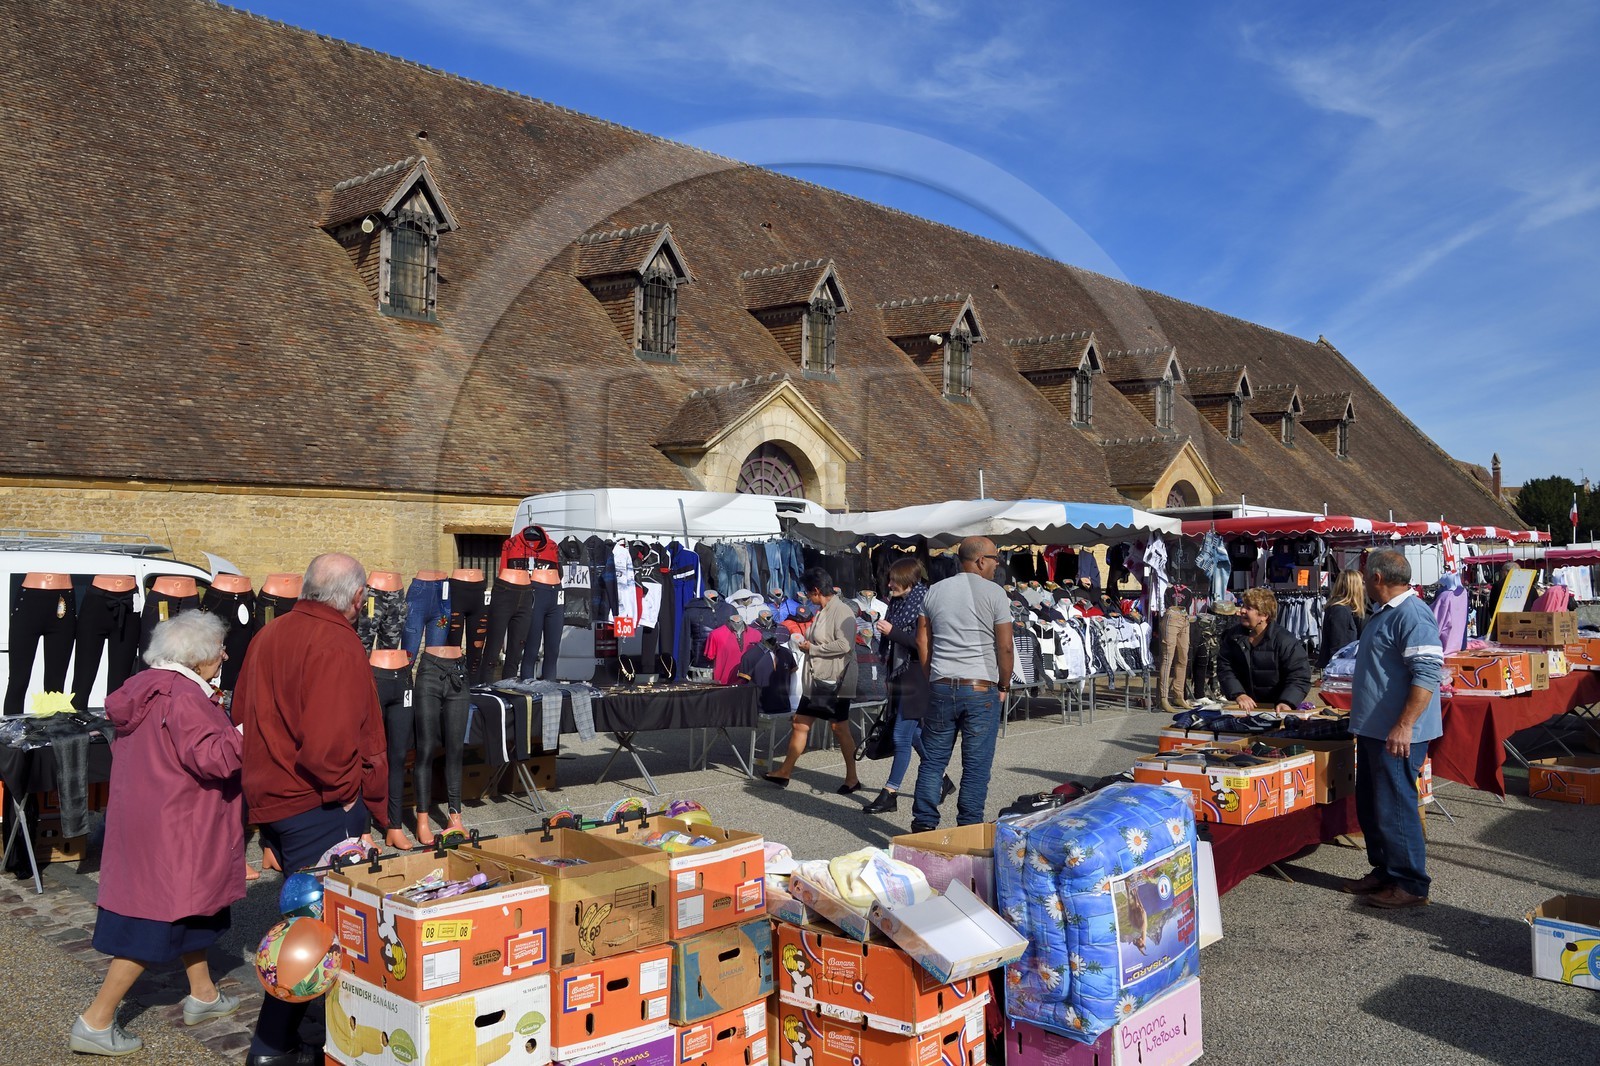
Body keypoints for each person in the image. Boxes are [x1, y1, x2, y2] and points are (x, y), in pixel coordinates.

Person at [235, 552, 389, 1066]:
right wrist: (348, 792)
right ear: (357, 598)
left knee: (305, 920)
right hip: (316, 802)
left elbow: (242, 717)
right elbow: (328, 750)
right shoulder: (336, 641)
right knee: (323, 931)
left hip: (276, 798)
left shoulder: (270, 633)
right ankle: (289, 1046)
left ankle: (281, 1045)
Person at [70, 612, 244, 1056]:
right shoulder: (184, 696)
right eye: (220, 649)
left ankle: (203, 995)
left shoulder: (146, 685)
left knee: (188, 911)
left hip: (148, 820)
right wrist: (248, 733)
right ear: (201, 658)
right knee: (150, 927)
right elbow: (214, 758)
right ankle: (96, 1020)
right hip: (178, 825)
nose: (225, 655)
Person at [1342, 550, 1443, 909]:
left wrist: (1404, 725)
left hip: (1397, 733)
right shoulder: (1386, 613)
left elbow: (1428, 674)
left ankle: (1411, 883)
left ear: (1378, 579)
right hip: (1377, 729)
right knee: (1374, 804)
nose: (1364, 580)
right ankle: (1385, 870)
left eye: (1367, 575)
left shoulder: (1413, 615)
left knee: (1396, 805)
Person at [911, 537, 1013, 831]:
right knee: (976, 766)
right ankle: (968, 830)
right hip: (981, 685)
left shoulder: (934, 591)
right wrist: (1004, 684)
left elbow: (922, 639)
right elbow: (1005, 647)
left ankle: (924, 826)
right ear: (981, 560)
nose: (997, 565)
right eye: (995, 559)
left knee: (932, 761)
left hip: (942, 683)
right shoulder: (995, 593)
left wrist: (935, 674)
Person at [864, 558, 953, 815]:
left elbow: (924, 644)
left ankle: (889, 793)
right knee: (913, 734)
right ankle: (943, 778)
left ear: (910, 581)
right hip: (902, 674)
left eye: (894, 580)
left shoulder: (926, 602)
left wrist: (892, 632)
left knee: (901, 735)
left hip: (920, 673)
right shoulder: (898, 602)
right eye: (889, 579)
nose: (889, 584)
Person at [763, 567, 861, 793]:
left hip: (837, 678)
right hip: (818, 677)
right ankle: (784, 772)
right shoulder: (823, 610)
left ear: (817, 590)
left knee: (839, 727)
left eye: (808, 593)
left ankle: (852, 777)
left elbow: (845, 645)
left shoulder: (842, 611)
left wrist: (813, 648)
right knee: (800, 722)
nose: (807, 597)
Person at [1217, 586, 1311, 712]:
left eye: (1248, 608)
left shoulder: (1285, 641)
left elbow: (1299, 676)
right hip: (1245, 710)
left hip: (1277, 708)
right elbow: (1225, 668)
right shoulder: (1232, 637)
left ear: (1264, 615)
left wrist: (1287, 702)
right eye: (1242, 605)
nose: (1242, 611)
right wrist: (1238, 694)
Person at [1317, 569, 1368, 670]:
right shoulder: (1340, 610)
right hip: (1342, 669)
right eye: (1361, 583)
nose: (1364, 587)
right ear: (1354, 586)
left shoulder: (1343, 608)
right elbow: (1340, 647)